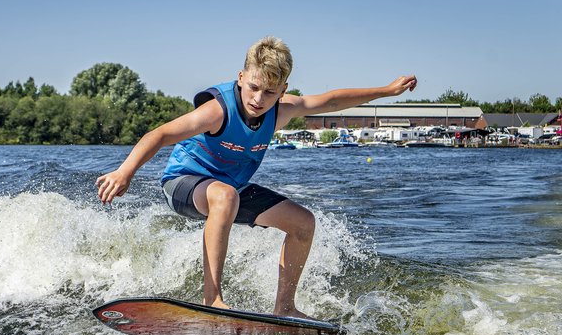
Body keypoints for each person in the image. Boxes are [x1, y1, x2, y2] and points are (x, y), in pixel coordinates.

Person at [96, 36, 416, 317]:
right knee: (224, 196)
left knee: (303, 223)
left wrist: (387, 91)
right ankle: (213, 299)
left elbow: (331, 100)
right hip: (183, 184)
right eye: (253, 87)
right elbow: (160, 134)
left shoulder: (282, 110)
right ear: (241, 77)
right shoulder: (217, 111)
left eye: (270, 92)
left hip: (230, 190)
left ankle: (285, 306)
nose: (258, 100)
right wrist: (125, 172)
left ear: (283, 91)